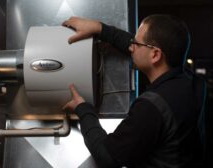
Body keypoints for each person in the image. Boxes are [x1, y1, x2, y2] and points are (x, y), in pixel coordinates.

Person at [62, 15, 205, 168]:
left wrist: (83, 109)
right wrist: (100, 28)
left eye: (135, 43)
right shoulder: (194, 83)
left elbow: (107, 157)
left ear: (155, 55)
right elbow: (145, 46)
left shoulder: (151, 106)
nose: (131, 46)